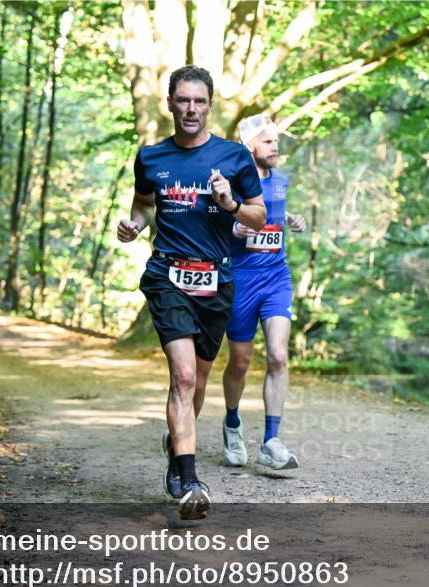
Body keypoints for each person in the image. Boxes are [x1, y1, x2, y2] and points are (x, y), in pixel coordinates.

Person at [116, 65, 266, 520]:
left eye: (199, 101)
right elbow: (144, 204)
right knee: (182, 376)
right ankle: (190, 480)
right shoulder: (151, 158)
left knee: (198, 382)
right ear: (170, 104)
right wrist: (134, 225)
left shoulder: (234, 158)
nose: (191, 109)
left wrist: (230, 203)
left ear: (210, 106)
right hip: (168, 275)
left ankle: (176, 449)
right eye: (183, 100)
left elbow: (258, 216)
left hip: (216, 279)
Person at [221, 114, 306, 471]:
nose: (275, 147)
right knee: (240, 361)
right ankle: (232, 423)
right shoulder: (232, 184)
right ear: (250, 145)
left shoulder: (281, 181)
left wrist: (292, 220)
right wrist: (233, 230)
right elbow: (216, 225)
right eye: (268, 141)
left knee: (278, 356)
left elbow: (274, 216)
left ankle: (271, 440)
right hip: (241, 279)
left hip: (276, 277)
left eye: (276, 141)